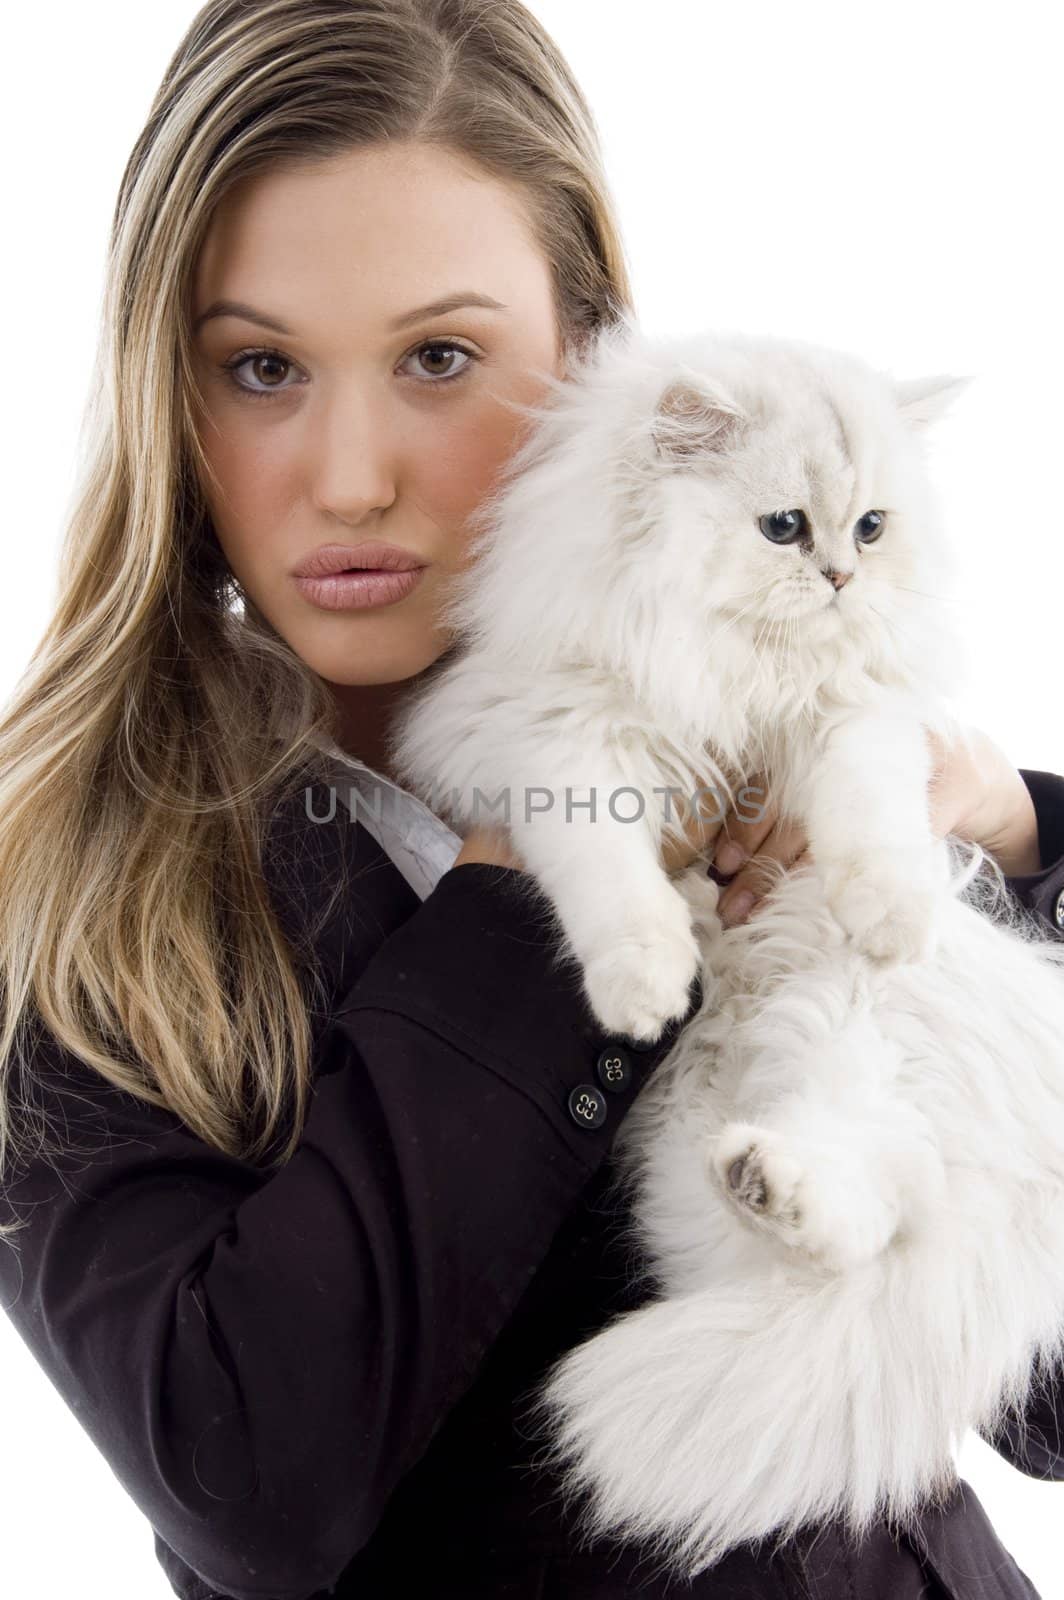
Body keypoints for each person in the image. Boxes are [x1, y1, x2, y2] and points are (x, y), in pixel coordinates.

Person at [1, 3, 1062, 1596]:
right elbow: (249, 1486)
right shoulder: (79, 901)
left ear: (592, 362)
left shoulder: (793, 711)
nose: (351, 473)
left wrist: (1023, 852)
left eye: (439, 358)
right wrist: (530, 891)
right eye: (261, 367)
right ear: (170, 395)